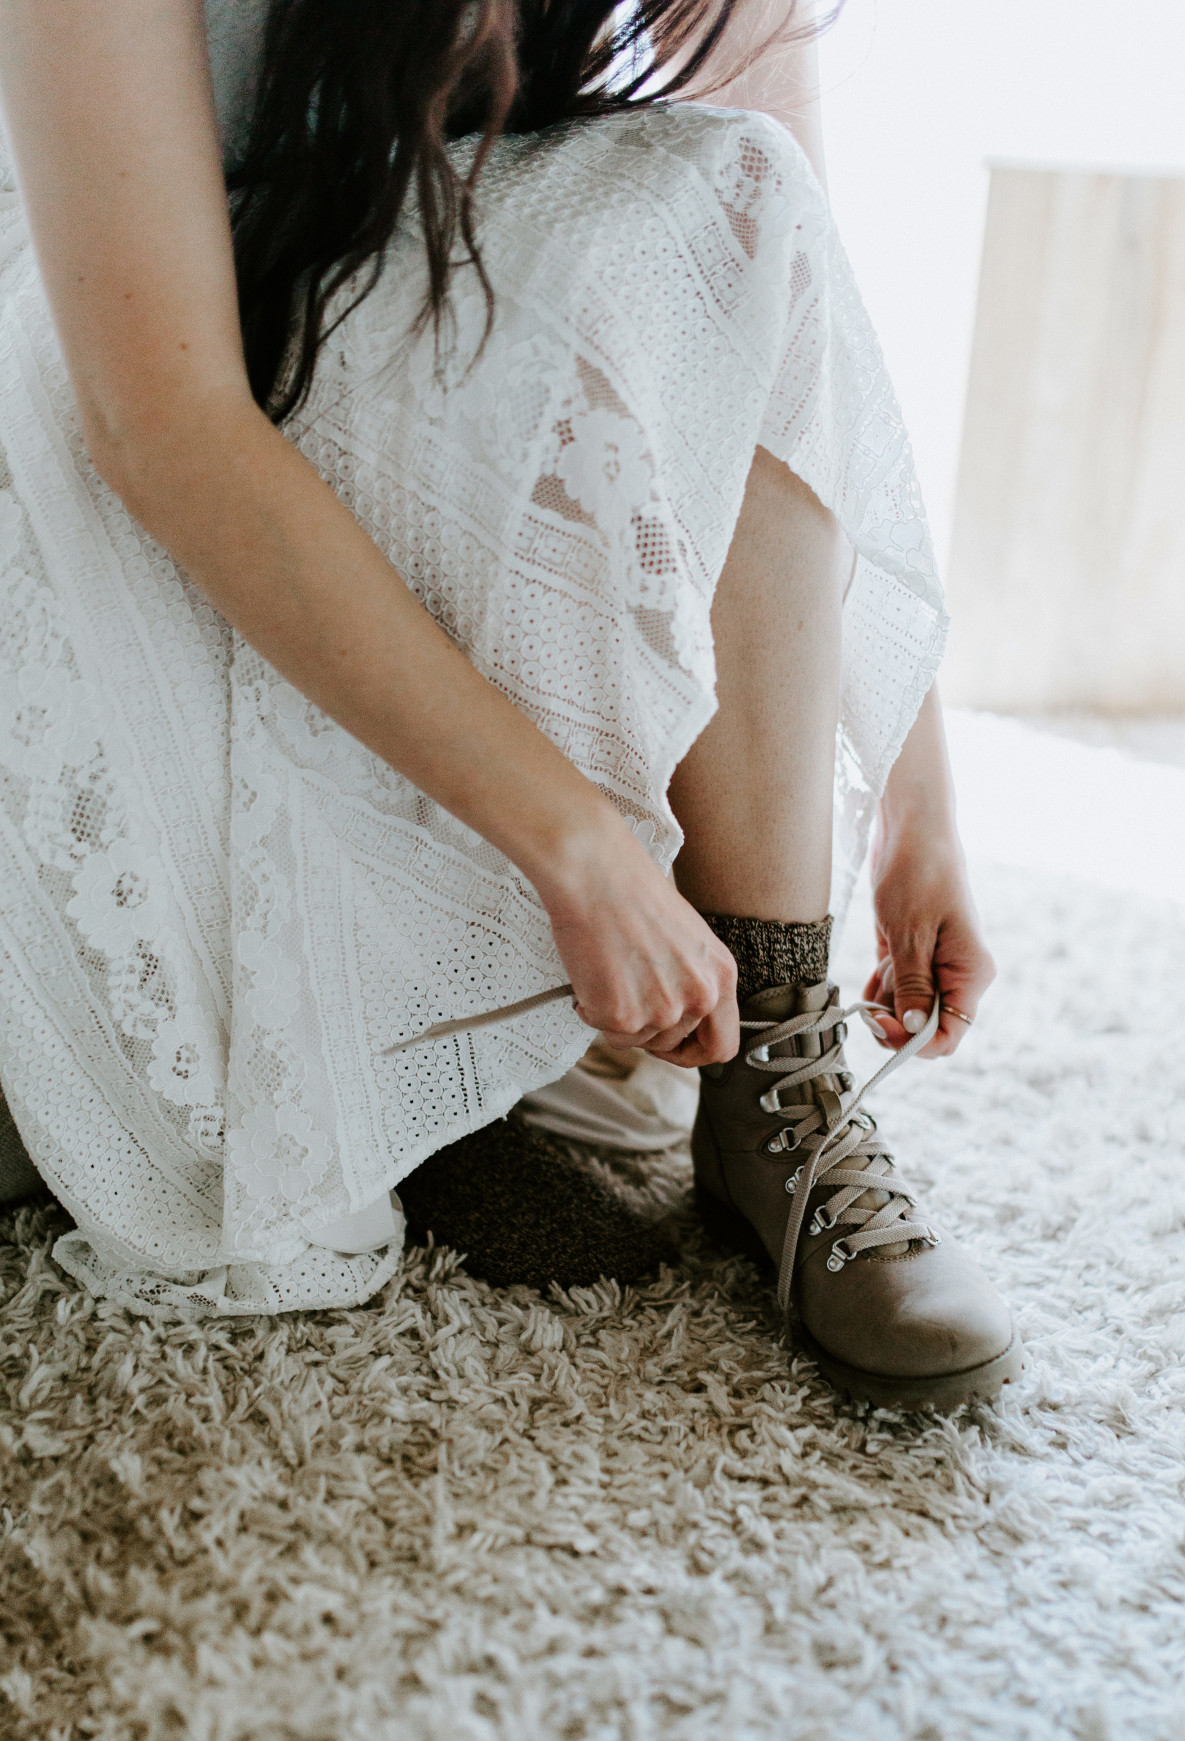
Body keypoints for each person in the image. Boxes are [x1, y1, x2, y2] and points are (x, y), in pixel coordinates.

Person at [0, 0, 1021, 1409]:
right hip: (129, 387)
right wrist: (577, 847)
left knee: (721, 193)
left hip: (391, 317)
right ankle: (425, 1032)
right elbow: (159, 423)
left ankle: (777, 1080)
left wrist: (918, 790)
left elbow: (791, 300)